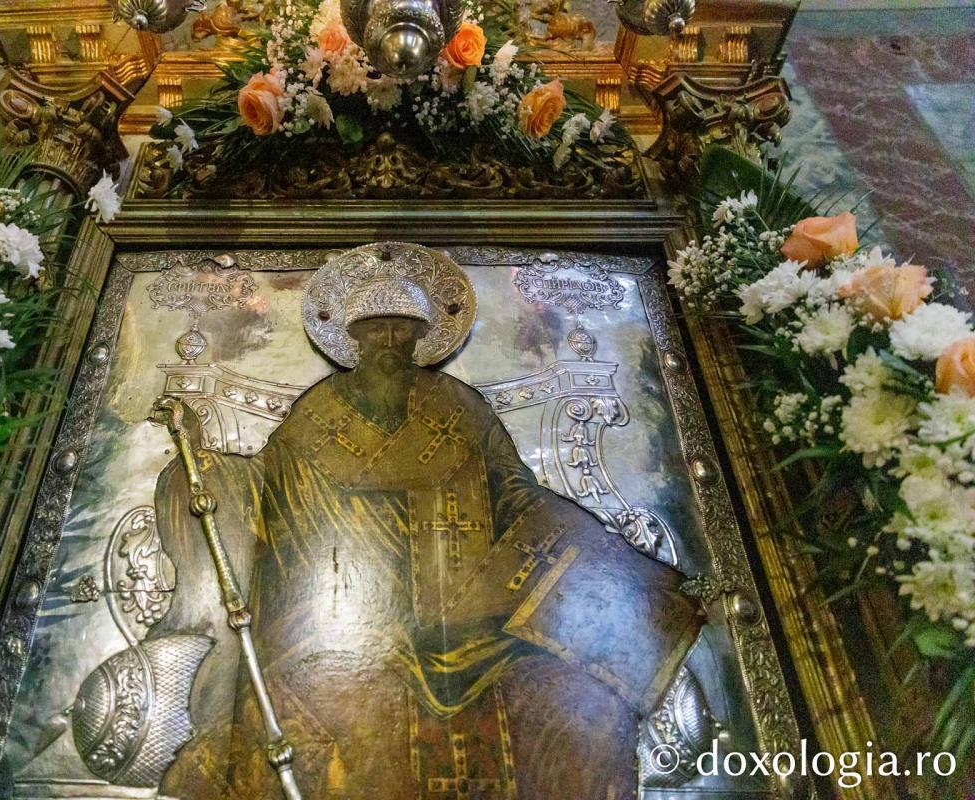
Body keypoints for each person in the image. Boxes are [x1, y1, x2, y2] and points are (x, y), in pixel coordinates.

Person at [154, 246, 703, 799]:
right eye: (377, 328)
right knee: (338, 704)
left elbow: (516, 493)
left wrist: (614, 569)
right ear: (354, 336)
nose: (390, 342)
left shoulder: (459, 405)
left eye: (403, 329)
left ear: (421, 335)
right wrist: (203, 462)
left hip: (470, 617)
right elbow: (263, 486)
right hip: (351, 620)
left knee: (579, 704)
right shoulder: (318, 412)